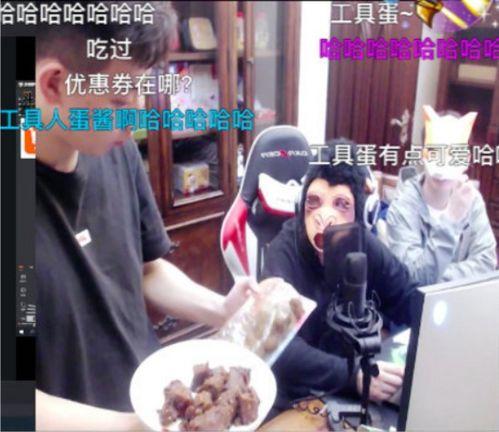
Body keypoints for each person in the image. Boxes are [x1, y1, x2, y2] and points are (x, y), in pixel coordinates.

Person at [35, 3, 256, 430]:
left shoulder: (111, 148)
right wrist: (131, 427)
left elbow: (145, 269)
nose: (137, 114)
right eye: (121, 98)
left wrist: (222, 309)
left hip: (153, 402)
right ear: (54, 84)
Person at [261, 139, 418, 414]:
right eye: (314, 202)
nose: (324, 217)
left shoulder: (364, 244)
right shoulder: (282, 252)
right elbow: (280, 346)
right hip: (296, 394)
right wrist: (353, 375)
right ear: (300, 205)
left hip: (350, 387)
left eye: (341, 204)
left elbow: (407, 297)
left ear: (363, 213)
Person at [386, 106, 497, 286]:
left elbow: (486, 263)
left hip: (461, 300)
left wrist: (438, 277)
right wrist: (451, 219)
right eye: (434, 152)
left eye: (452, 153)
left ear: (465, 158)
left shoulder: (472, 200)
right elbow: (414, 278)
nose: (442, 163)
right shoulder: (403, 206)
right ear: (423, 154)